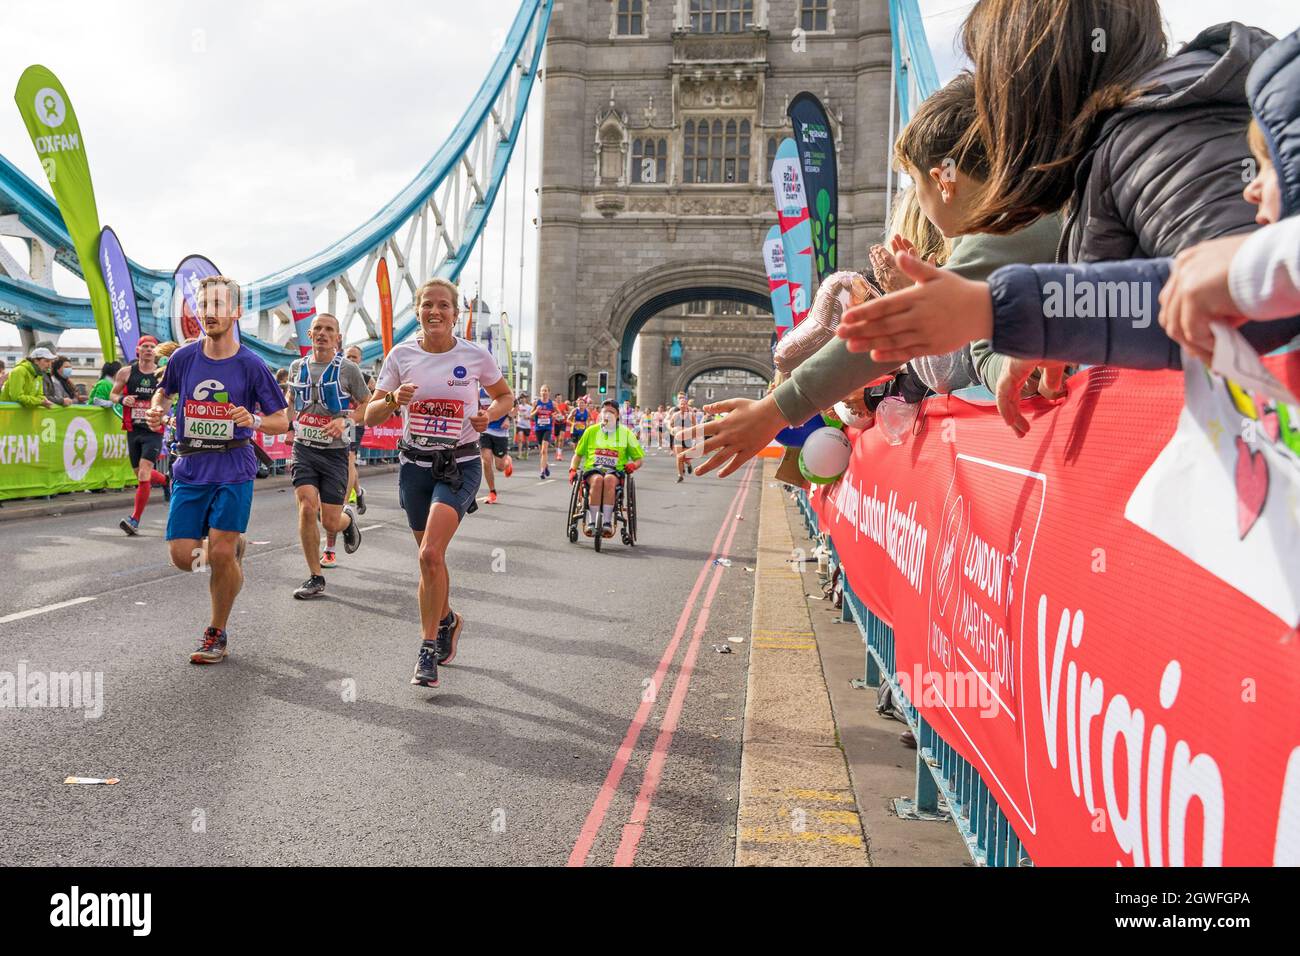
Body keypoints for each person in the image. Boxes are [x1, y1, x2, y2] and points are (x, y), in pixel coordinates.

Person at [690, 3, 1278, 477]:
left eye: (994, 73)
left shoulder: (1157, 134)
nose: (990, 106)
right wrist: (1042, 334)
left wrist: (1012, 310)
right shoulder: (1116, 152)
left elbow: (1237, 310)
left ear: (1031, 68)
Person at [365, 278, 513, 688]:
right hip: (414, 466)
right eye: (427, 305)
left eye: (443, 305)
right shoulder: (402, 356)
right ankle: (448, 619)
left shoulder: (474, 356)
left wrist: (490, 416)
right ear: (418, 311)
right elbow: (369, 416)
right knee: (430, 560)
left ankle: (427, 650)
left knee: (430, 554)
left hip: (459, 465)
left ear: (455, 313)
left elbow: (505, 396)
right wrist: (395, 400)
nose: (435, 312)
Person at [146, 276, 289, 665]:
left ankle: (216, 631)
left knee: (221, 552)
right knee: (182, 556)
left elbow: (281, 419)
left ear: (236, 312)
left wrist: (255, 421)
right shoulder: (183, 358)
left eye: (218, 305)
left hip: (233, 465)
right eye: (203, 306)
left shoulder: (251, 365)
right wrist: (159, 406)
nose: (209, 313)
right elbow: (165, 390)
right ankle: (231, 550)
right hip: (191, 465)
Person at [287, 314, 369, 599]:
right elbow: (290, 401)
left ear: (338, 338)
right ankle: (315, 576)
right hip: (304, 449)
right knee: (307, 507)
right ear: (310, 334)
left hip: (335, 453)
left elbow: (368, 405)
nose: (322, 333)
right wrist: (288, 427)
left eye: (329, 330)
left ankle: (348, 521)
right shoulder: (297, 367)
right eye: (318, 329)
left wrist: (347, 421)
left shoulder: (348, 370)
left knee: (330, 522)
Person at [111, 337, 171, 534]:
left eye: (152, 347)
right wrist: (122, 399)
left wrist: (161, 412)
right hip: (133, 429)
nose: (148, 350)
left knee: (144, 473)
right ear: (138, 350)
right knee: (139, 474)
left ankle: (134, 520)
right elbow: (112, 394)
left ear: (156, 352)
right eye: (145, 346)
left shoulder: (162, 374)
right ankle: (165, 480)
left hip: (153, 430)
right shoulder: (126, 372)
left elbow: (168, 399)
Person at [569, 399, 644, 538]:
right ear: (601, 414)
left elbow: (639, 459)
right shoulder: (591, 431)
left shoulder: (626, 433)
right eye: (605, 411)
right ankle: (592, 522)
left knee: (609, 480)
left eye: (612, 412)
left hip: (614, 471)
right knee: (597, 480)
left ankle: (607, 523)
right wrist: (572, 470)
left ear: (617, 416)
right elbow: (578, 455)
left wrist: (633, 465)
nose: (608, 414)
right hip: (594, 469)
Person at [479, 384, 514, 504]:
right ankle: (492, 492)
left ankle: (507, 461)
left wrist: (508, 419)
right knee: (486, 459)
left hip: (500, 432)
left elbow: (515, 405)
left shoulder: (501, 389)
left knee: (500, 467)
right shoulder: (479, 392)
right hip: (485, 430)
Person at [669, 396, 696, 483]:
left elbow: (695, 426)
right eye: (681, 404)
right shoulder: (675, 415)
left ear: (687, 405)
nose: (683, 405)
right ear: (679, 405)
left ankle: (688, 464)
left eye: (685, 404)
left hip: (687, 438)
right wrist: (672, 429)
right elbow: (670, 425)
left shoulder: (691, 415)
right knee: (679, 457)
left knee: (686, 457)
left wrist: (693, 435)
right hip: (678, 438)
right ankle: (680, 475)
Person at [532, 384, 556, 478]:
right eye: (542, 391)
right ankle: (545, 466)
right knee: (541, 452)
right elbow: (531, 415)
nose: (544, 392)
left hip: (547, 428)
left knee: (544, 450)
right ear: (540, 392)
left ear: (549, 392)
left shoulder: (552, 403)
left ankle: (542, 471)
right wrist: (536, 411)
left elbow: (557, 412)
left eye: (545, 391)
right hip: (538, 429)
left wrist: (554, 415)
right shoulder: (536, 403)